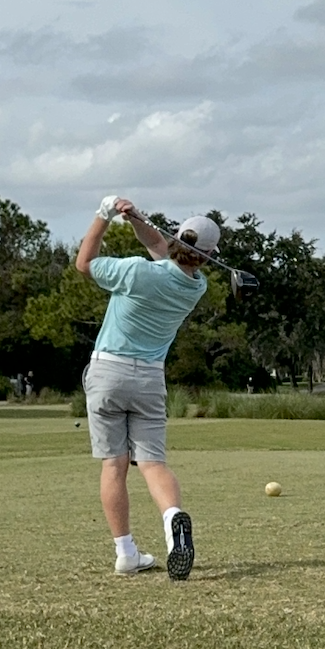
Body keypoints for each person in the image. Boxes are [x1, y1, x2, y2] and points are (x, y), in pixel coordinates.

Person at [76, 195, 220, 580]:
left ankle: (125, 552)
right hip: (149, 379)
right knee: (153, 463)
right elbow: (160, 247)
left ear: (178, 238)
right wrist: (136, 218)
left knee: (114, 465)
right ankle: (174, 526)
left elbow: (84, 263)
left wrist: (104, 216)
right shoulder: (196, 286)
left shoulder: (137, 272)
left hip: (108, 373)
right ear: (206, 256)